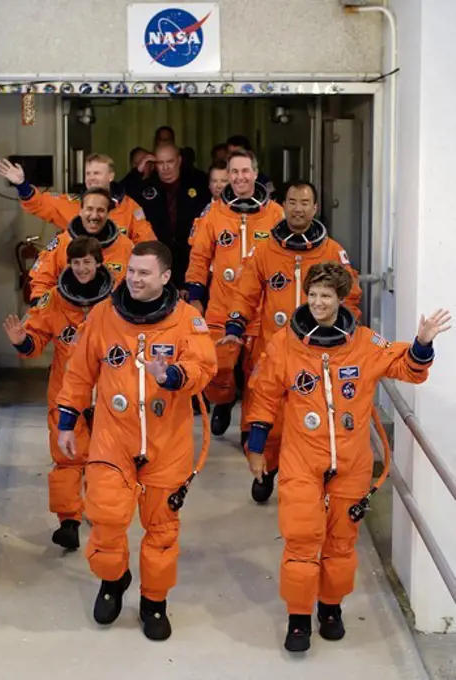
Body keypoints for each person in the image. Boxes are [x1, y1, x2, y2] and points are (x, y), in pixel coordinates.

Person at [244, 262, 451, 653]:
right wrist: (257, 448)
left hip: (352, 464)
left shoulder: (364, 343)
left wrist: (422, 342)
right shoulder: (285, 343)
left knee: (341, 543)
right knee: (302, 539)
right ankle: (299, 617)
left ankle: (331, 609)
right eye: (313, 295)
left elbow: (408, 367)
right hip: (301, 459)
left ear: (341, 300)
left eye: (326, 296)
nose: (317, 303)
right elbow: (265, 394)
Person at [55, 241, 217, 641]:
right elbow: (79, 372)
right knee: (107, 519)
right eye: (131, 271)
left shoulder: (186, 319)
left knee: (161, 529)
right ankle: (113, 580)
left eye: (145, 273)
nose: (135, 278)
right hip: (113, 438)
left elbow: (204, 365)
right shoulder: (104, 316)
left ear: (165, 277)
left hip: (168, 442)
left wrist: (174, 376)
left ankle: (154, 602)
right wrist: (66, 420)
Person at [220, 180, 362, 503]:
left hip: (318, 351)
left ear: (316, 208)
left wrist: (347, 333)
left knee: (314, 417)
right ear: (283, 205)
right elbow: (246, 292)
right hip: (274, 347)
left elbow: (350, 297)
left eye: (304, 202)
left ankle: (312, 477)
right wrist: (235, 322)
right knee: (267, 414)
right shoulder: (265, 250)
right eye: (292, 202)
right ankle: (266, 469)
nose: (298, 208)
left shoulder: (331, 251)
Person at [2, 236, 114, 550]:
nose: (81, 269)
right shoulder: (53, 300)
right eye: (76, 263)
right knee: (67, 458)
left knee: (105, 457)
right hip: (67, 393)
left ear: (98, 263)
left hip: (109, 392)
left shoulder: (117, 299)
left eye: (87, 262)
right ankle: (69, 521)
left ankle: (100, 509)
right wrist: (21, 340)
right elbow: (34, 342)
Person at [186, 149, 284, 437]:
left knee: (259, 373)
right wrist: (194, 297)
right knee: (220, 367)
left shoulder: (275, 213)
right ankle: (225, 402)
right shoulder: (214, 212)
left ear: (255, 174)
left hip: (260, 310)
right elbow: (200, 257)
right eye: (234, 172)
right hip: (222, 304)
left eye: (245, 171)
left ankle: (249, 427)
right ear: (227, 176)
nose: (240, 177)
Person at [0, 153, 156, 244]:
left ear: (111, 176)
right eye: (88, 173)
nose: (91, 178)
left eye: (97, 173)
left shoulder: (129, 207)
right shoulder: (71, 204)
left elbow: (148, 244)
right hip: (80, 278)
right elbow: (39, 204)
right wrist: (22, 184)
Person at [124, 144, 211, 290]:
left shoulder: (197, 182)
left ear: (179, 160)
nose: (165, 168)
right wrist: (138, 172)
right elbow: (121, 198)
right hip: (157, 260)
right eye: (160, 163)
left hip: (190, 259)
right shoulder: (146, 186)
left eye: (169, 162)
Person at [29, 188, 133, 304]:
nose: (94, 216)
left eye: (100, 210)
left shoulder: (126, 247)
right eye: (89, 209)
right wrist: (40, 305)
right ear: (81, 211)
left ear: (108, 214)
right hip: (66, 314)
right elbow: (42, 281)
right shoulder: (61, 243)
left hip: (109, 316)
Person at [188, 160, 229, 247]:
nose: (219, 185)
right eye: (214, 181)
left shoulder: (241, 210)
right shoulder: (197, 211)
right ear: (209, 184)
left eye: (223, 181)